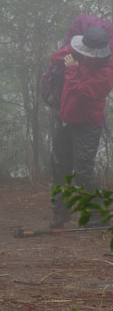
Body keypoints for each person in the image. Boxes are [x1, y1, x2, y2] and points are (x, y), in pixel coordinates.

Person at [49, 26, 113, 228]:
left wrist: (73, 69)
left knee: (83, 171)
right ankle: (60, 213)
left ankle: (97, 214)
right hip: (67, 119)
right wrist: (72, 51)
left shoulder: (106, 70)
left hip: (87, 125)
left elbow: (85, 92)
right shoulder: (81, 55)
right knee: (59, 167)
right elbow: (55, 58)